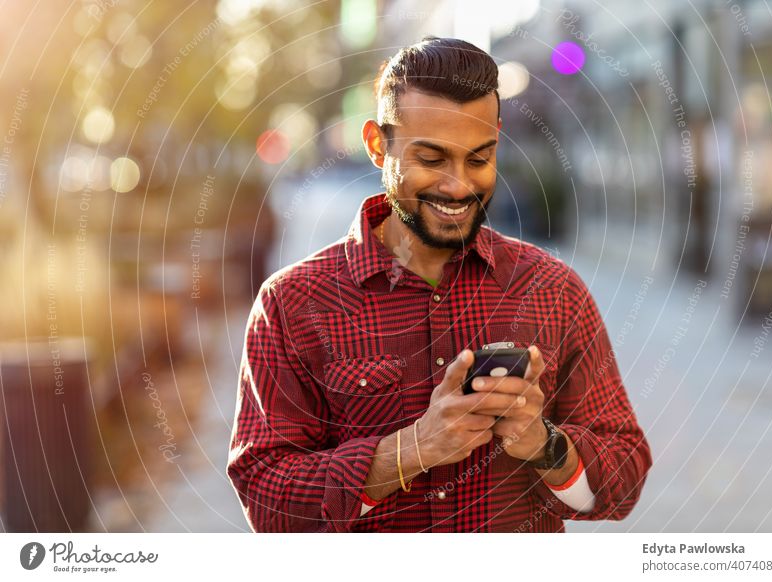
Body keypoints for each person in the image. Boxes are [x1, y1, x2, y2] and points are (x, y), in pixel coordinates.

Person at [227, 36, 651, 532]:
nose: (458, 185)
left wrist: (543, 443)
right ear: (376, 144)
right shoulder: (292, 303)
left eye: (478, 158)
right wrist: (415, 448)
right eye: (431, 159)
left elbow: (624, 481)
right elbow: (266, 499)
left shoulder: (553, 290)